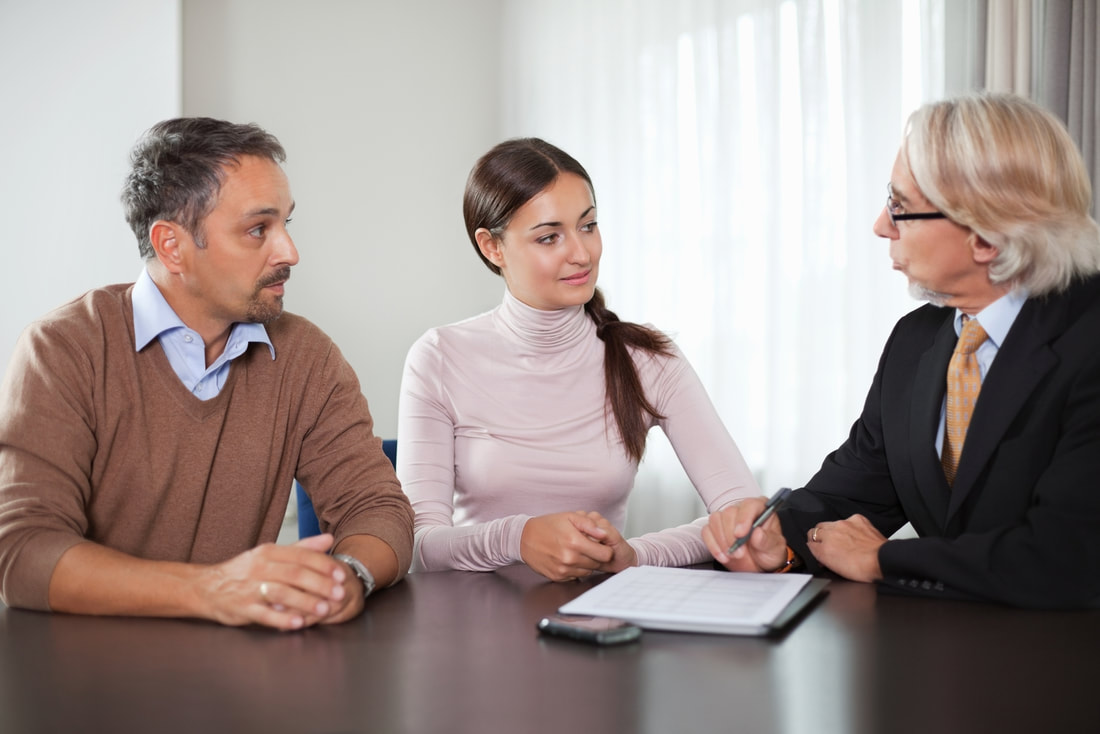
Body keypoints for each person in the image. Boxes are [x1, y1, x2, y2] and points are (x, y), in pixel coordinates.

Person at [0, 118, 414, 629]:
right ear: (171, 245)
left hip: (239, 680)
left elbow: (378, 509)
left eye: (286, 223)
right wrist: (213, 590)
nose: (289, 252)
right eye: (258, 229)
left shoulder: (307, 356)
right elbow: (24, 553)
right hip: (90, 682)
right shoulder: (64, 349)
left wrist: (348, 576)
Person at [703, 93, 1100, 608]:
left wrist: (881, 559)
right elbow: (852, 495)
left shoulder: (1088, 339)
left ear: (985, 235)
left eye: (900, 207)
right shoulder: (917, 340)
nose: (881, 226)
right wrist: (776, 536)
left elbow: (1067, 556)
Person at [397, 137, 759, 582]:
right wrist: (519, 538)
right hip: (475, 623)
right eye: (550, 237)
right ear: (492, 247)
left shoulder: (648, 360)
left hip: (597, 617)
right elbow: (421, 544)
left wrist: (636, 555)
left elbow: (743, 515)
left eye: (588, 226)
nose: (582, 253)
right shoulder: (439, 357)